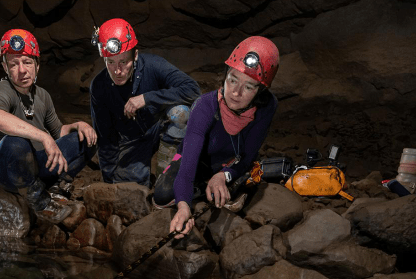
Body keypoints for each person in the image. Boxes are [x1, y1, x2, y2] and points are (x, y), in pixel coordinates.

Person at [153, 36, 280, 238]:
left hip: (229, 162)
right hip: (198, 161)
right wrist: (184, 207)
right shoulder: (204, 106)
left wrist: (225, 175)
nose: (236, 92)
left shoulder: (267, 107)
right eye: (232, 79)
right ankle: (203, 189)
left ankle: (216, 187)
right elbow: (187, 170)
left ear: (260, 91)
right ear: (224, 76)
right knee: (162, 196)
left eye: (248, 87)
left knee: (246, 174)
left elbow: (248, 155)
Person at [0, 28, 98, 221]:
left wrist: (79, 125)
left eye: (27, 62)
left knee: (87, 137)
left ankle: (57, 187)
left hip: (33, 164)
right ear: (5, 67)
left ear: (37, 65)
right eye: (14, 64)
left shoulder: (42, 95)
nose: (22, 70)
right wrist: (43, 137)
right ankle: (39, 200)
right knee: (16, 143)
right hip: (2, 168)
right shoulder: (0, 90)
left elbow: (59, 132)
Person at [89, 18, 201, 187]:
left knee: (181, 113)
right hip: (132, 141)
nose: (117, 71)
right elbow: (106, 137)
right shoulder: (99, 86)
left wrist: (147, 98)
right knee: (130, 188)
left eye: (123, 62)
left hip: (159, 126)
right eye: (110, 62)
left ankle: (166, 179)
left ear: (135, 55)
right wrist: (109, 179)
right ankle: (140, 177)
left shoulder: (153, 65)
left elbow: (193, 89)